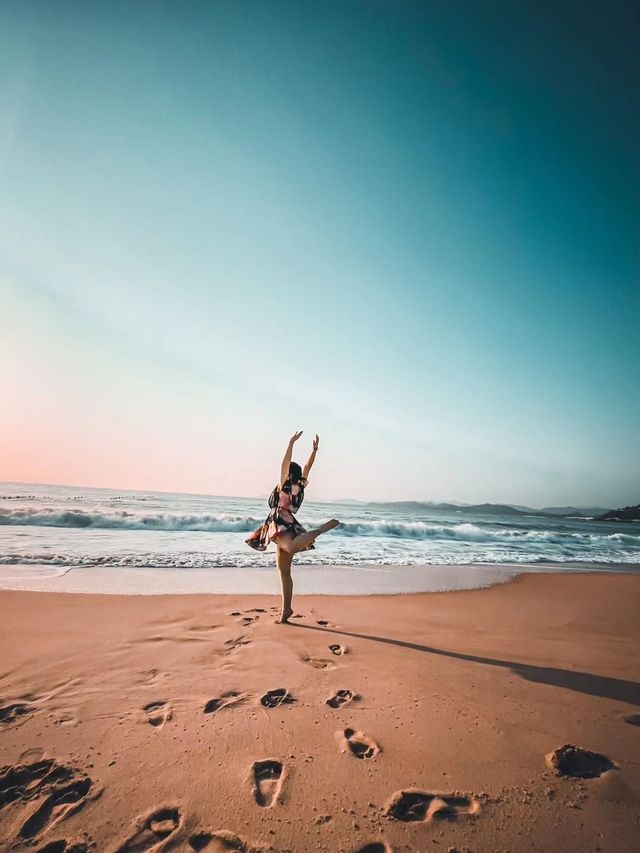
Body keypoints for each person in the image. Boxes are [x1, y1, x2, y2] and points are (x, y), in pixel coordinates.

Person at [246, 431, 340, 623]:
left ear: (288, 473)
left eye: (286, 469)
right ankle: (286, 610)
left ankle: (321, 529)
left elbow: (285, 462)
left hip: (280, 522)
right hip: (287, 523)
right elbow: (307, 467)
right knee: (283, 571)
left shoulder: (285, 484)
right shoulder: (300, 485)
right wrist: (314, 450)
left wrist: (290, 443)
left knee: (290, 548)